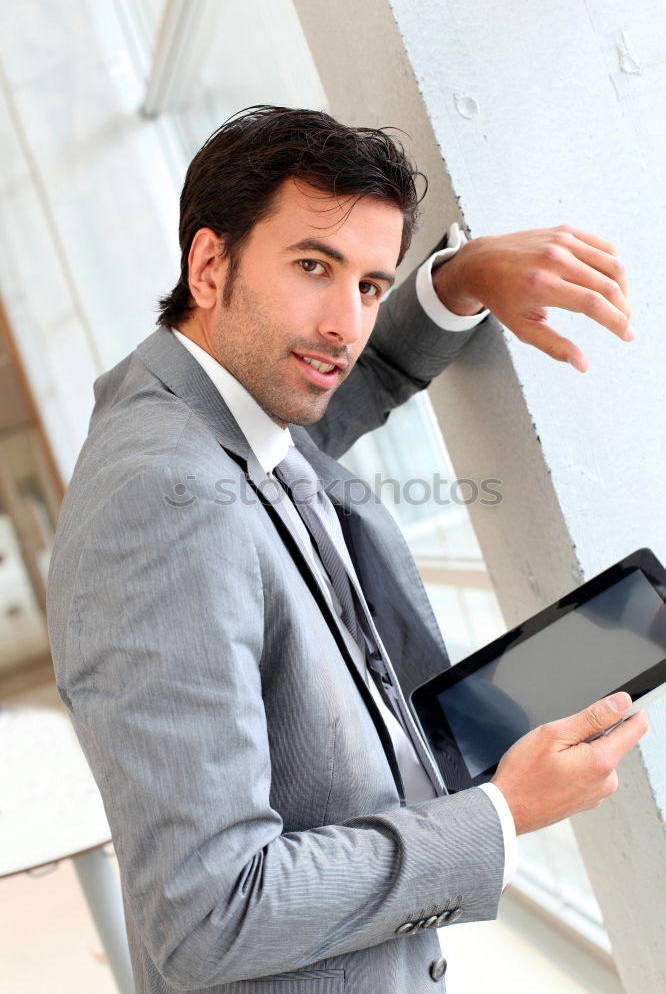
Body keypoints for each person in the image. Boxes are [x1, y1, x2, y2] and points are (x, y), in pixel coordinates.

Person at [47, 106, 646, 993]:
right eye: (312, 267)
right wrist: (501, 814)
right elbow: (206, 915)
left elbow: (344, 384)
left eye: (368, 285)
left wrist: (458, 279)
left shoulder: (208, 397)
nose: (344, 324)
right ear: (209, 265)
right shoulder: (159, 503)